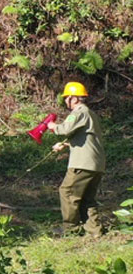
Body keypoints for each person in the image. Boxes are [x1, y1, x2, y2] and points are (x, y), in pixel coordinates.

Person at [46, 81, 105, 236]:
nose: (66, 101)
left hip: (82, 163)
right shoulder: (90, 114)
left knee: (67, 192)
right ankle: (94, 230)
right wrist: (65, 145)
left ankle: (70, 229)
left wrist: (52, 126)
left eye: (67, 98)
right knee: (87, 197)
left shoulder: (79, 112)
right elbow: (84, 136)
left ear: (74, 98)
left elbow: (65, 129)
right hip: (96, 164)